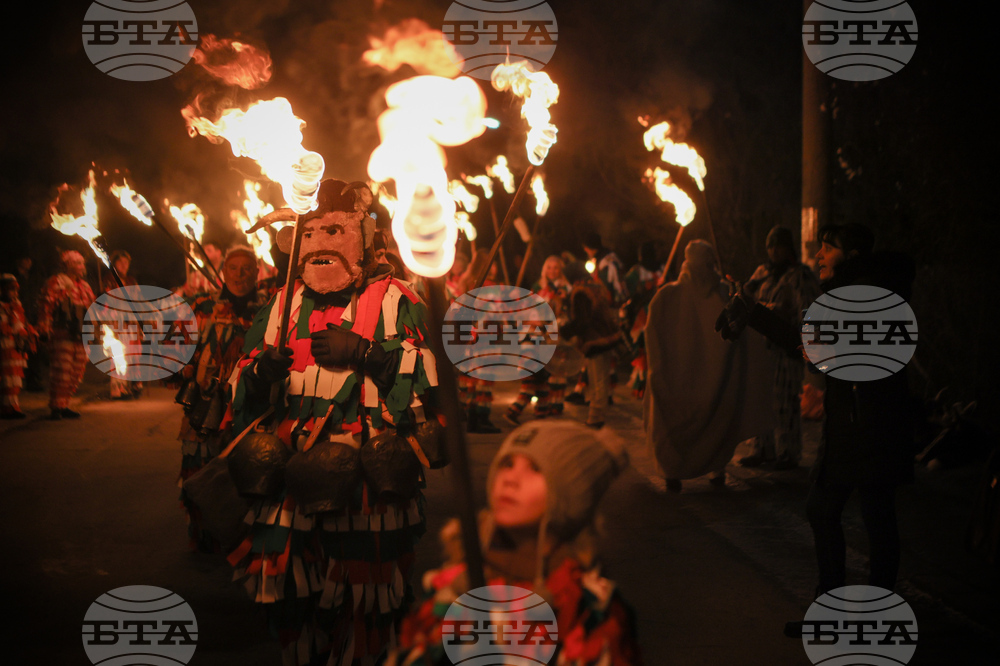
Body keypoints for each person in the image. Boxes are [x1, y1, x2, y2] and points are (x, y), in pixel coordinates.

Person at [223, 180, 443, 665]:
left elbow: (429, 375)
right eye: (312, 231)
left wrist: (368, 354)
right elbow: (240, 387)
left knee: (364, 587)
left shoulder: (395, 298)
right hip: (288, 467)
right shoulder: (281, 304)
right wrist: (262, 371)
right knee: (285, 583)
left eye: (336, 230)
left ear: (364, 239)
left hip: (367, 470)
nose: (321, 242)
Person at [716, 223, 916, 611]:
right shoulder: (845, 294)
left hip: (873, 429)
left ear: (853, 256)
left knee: (871, 518)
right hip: (852, 426)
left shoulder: (871, 294)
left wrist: (766, 320)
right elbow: (811, 350)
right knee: (837, 512)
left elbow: (827, 357)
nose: (819, 254)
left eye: (828, 247)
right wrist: (752, 312)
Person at [393, 419, 642, 665]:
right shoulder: (458, 581)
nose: (510, 479)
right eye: (508, 464)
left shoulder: (585, 606)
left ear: (574, 495)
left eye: (534, 469)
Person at [644, 240, 774, 492]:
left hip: (717, 380)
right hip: (676, 379)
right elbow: (654, 337)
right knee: (673, 421)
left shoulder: (724, 295)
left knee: (718, 421)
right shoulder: (667, 297)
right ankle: (675, 469)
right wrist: (658, 371)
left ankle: (715, 467)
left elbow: (742, 331)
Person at [177, 246, 269, 552]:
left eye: (246, 268)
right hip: (207, 398)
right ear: (223, 272)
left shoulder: (269, 307)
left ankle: (247, 534)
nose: (240, 275)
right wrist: (185, 364)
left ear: (257, 272)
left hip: (251, 399)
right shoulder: (202, 306)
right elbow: (180, 342)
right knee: (201, 462)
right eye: (233, 268)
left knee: (249, 464)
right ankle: (204, 533)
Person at [738, 227, 821, 470]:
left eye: (779, 245)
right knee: (759, 399)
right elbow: (747, 300)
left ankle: (788, 453)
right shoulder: (762, 273)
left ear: (788, 247)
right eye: (770, 246)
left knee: (784, 403)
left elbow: (809, 310)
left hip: (786, 346)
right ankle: (762, 449)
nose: (774, 251)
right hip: (761, 348)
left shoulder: (800, 275)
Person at [506, 255, 571, 425]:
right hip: (536, 335)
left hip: (555, 332)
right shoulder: (537, 287)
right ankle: (530, 410)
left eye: (555, 267)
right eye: (549, 267)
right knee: (538, 375)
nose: (552, 271)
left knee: (554, 372)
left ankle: (550, 408)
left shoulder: (565, 288)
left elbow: (563, 310)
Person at [36, 250, 95, 420]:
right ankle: (56, 406)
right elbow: (46, 306)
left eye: (82, 263)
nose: (81, 267)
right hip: (62, 333)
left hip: (80, 335)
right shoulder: (57, 282)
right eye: (78, 263)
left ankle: (64, 404)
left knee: (76, 372)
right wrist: (44, 329)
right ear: (67, 265)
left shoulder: (84, 286)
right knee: (62, 371)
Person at [561, 281, 623, 429]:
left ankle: (596, 418)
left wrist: (565, 332)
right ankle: (596, 416)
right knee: (600, 379)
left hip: (595, 340)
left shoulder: (580, 292)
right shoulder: (593, 287)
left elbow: (582, 320)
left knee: (597, 381)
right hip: (604, 336)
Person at [621, 241, 664, 399]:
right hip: (643, 315)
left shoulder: (662, 269)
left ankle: (657, 384)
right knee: (644, 348)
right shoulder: (636, 272)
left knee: (657, 349)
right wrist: (644, 288)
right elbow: (627, 291)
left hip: (660, 313)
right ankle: (642, 384)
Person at [101, 250, 141, 400]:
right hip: (115, 322)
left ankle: (131, 386)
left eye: (126, 263)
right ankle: (118, 390)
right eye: (120, 262)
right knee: (118, 354)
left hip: (131, 322)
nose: (124, 265)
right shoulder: (109, 280)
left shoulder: (131, 281)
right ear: (114, 264)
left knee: (132, 354)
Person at [1, 274, 37, 418]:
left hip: (16, 347)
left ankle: (13, 405)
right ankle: (7, 408)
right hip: (5, 346)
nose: (15, 293)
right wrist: (16, 330)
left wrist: (28, 331)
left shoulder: (17, 305)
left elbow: (21, 322)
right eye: (11, 289)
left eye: (16, 290)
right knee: (7, 378)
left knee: (15, 376)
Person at [15, 257, 45, 392]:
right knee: (20, 349)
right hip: (18, 316)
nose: (28, 262)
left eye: (29, 260)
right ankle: (17, 381)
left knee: (34, 349)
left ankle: (34, 380)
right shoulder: (14, 278)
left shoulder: (33, 278)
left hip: (33, 316)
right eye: (25, 259)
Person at [582, 231, 626, 304]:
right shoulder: (609, 255)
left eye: (586, 247)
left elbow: (606, 287)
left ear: (590, 247)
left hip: (615, 301)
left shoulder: (605, 263)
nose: (585, 250)